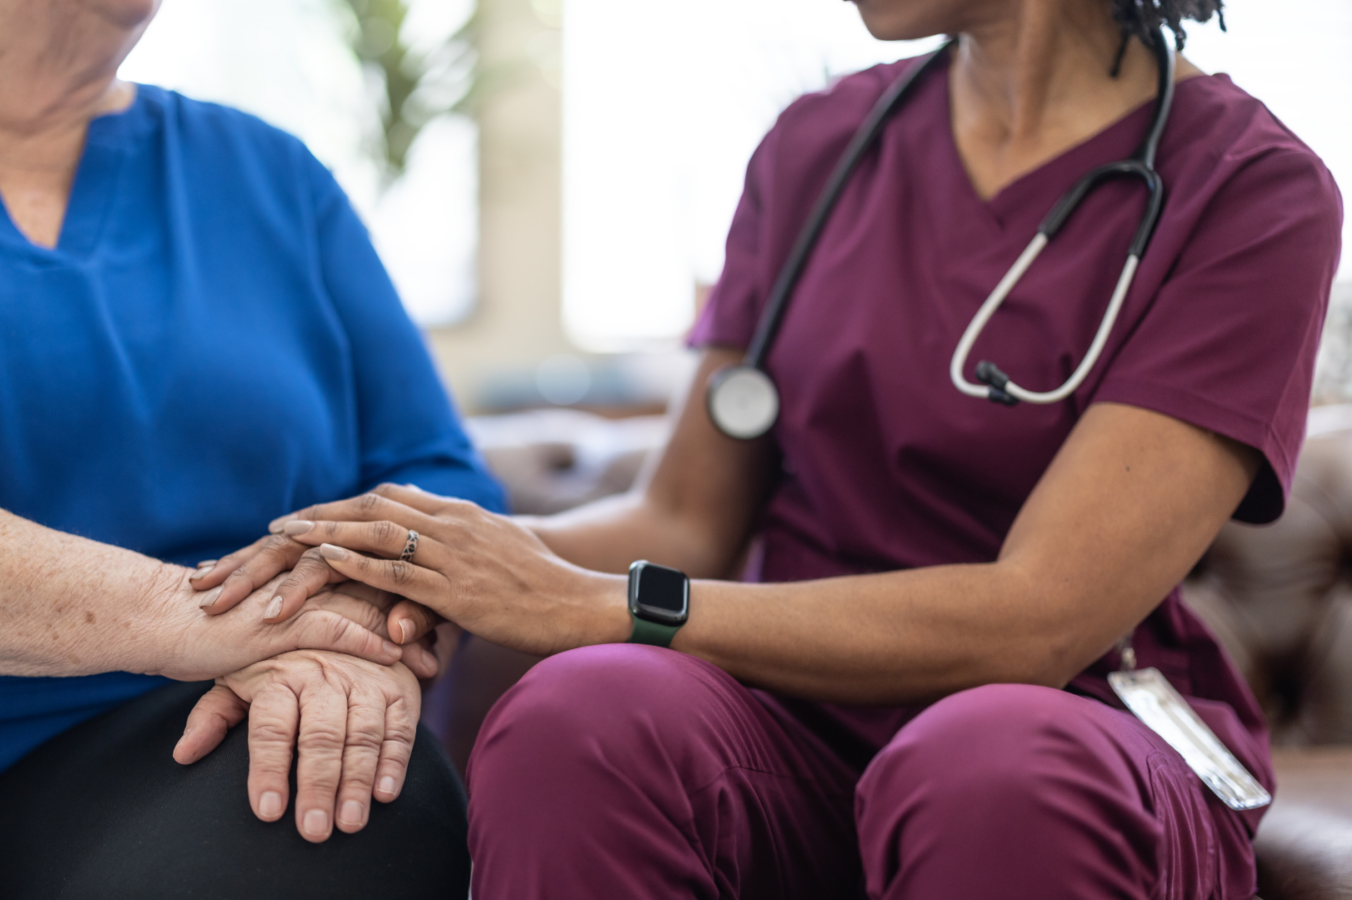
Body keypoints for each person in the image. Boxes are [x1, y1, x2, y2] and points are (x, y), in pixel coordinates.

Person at [198, 0, 1345, 896]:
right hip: (791, 724)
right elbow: (689, 518)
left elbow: (1039, 618)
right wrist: (440, 561)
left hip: (1070, 734)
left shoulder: (1250, 189)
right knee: (582, 715)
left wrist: (604, 604)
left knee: (988, 759)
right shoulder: (820, 145)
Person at [0, 0, 502, 897]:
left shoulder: (274, 177)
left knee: (343, 811)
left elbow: (440, 480)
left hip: (184, 729)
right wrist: (221, 621)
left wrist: (360, 622)